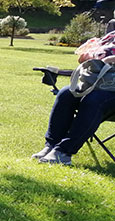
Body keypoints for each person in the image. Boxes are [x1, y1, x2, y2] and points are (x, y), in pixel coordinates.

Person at [33, 31, 115, 165]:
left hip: (107, 93)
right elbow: (83, 59)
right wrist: (89, 56)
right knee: (66, 93)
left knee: (94, 100)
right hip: (99, 84)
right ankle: (51, 145)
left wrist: (107, 59)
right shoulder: (111, 36)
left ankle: (64, 152)